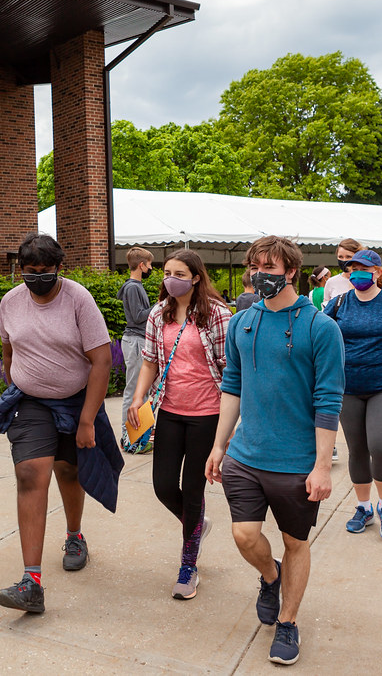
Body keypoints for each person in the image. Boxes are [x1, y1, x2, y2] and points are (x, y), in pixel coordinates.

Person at [205, 236, 344, 666]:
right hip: (246, 455)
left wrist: (323, 466)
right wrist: (219, 444)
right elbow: (232, 386)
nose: (260, 272)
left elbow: (328, 401)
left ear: (291, 272)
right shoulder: (242, 322)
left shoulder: (321, 328)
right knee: (245, 535)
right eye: (256, 265)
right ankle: (270, 576)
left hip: (297, 461)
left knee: (294, 541)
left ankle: (287, 621)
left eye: (271, 265)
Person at [0, 233, 113, 614]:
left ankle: (74, 536)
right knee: (30, 473)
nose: (38, 280)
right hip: (30, 403)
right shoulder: (10, 302)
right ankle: (31, 582)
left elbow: (102, 360)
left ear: (59, 268)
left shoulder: (78, 298)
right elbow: (7, 348)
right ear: (21, 270)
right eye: (30, 273)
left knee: (68, 471)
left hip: (76, 401)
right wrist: (15, 387)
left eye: (45, 272)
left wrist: (87, 420)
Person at [127, 249, 231, 600]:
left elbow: (230, 368)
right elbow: (149, 361)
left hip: (207, 414)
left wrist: (231, 423)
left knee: (194, 490)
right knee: (162, 486)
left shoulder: (217, 314)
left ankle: (188, 566)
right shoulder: (159, 313)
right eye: (167, 272)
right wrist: (138, 398)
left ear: (196, 277)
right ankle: (197, 523)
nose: (170, 278)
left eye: (179, 273)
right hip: (169, 410)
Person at [325, 250, 382, 542]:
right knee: (357, 449)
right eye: (352, 268)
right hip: (348, 387)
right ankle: (363, 507)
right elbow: (317, 333)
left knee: (380, 446)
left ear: (377, 271)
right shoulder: (338, 303)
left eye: (363, 268)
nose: (357, 273)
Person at [117, 246, 155, 451]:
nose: (150, 268)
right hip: (135, 341)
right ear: (142, 265)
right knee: (133, 390)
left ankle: (138, 436)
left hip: (138, 341)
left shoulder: (135, 286)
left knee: (141, 390)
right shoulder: (133, 287)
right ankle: (128, 437)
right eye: (149, 264)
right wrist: (160, 305)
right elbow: (138, 316)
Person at [323, 237, 365, 303]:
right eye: (340, 257)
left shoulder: (366, 280)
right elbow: (325, 308)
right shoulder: (331, 282)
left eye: (348, 257)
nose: (344, 260)